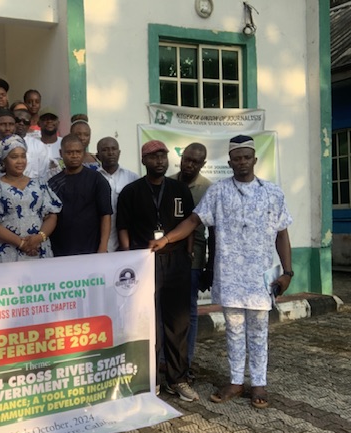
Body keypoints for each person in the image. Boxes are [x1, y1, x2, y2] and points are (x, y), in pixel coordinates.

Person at [150, 135, 293, 409]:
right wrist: (167, 239)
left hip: (261, 277)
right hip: (229, 276)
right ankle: (236, 381)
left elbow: (282, 233)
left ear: (255, 160)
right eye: (236, 159)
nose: (242, 163)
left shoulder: (272, 193)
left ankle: (259, 383)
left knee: (259, 330)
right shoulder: (218, 192)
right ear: (229, 162)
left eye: (246, 158)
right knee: (235, 330)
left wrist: (287, 271)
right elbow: (193, 220)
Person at [116, 139, 199, 402]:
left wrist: (187, 253)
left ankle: (179, 379)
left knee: (178, 322)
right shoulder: (131, 192)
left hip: (176, 261)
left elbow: (190, 222)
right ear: (143, 161)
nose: (159, 161)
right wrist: (131, 257)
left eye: (163, 156)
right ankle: (150, 380)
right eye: (153, 157)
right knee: (147, 323)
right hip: (144, 262)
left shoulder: (180, 189)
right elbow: (124, 228)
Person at [168, 142, 214, 380]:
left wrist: (209, 266)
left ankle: (186, 362)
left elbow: (213, 231)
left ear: (203, 164)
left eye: (195, 161)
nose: (189, 164)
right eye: (186, 159)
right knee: (168, 309)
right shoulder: (168, 182)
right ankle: (168, 361)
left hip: (194, 256)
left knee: (190, 310)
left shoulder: (208, 188)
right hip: (168, 255)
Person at [0, 135, 62, 263]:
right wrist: (21, 244)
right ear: (3, 160)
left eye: (23, 156)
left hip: (39, 249)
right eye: (14, 157)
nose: (20, 161)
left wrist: (39, 238)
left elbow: (51, 216)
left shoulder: (40, 184)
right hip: (8, 252)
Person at [48, 134, 112, 256]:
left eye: (78, 152)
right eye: (70, 152)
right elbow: (49, 217)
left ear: (83, 153)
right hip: (60, 251)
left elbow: (106, 214)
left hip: (91, 249)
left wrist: (103, 246)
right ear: (61, 153)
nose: (74, 156)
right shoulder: (53, 183)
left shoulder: (97, 179)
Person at [97, 137, 138, 252]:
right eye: (105, 150)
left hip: (127, 240)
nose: (110, 153)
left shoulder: (132, 178)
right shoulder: (93, 179)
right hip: (100, 242)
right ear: (98, 155)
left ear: (119, 152)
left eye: (114, 149)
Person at [11, 104, 50, 180]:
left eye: (25, 122)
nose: (21, 123)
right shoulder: (3, 144)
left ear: (29, 125)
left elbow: (43, 175)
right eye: (18, 120)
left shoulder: (39, 146)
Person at [38, 107, 63, 177]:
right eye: (45, 119)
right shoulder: (32, 145)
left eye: (53, 118)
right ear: (39, 123)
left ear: (58, 123)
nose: (49, 121)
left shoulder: (65, 144)